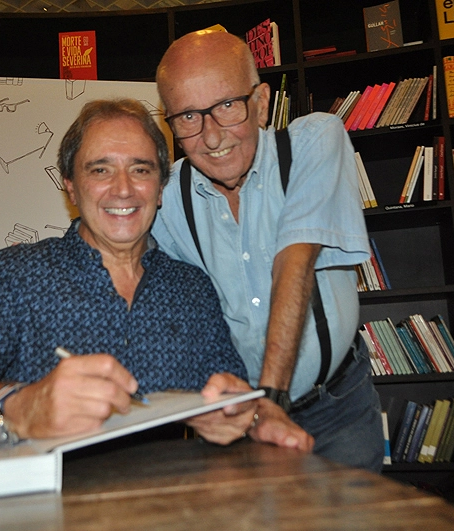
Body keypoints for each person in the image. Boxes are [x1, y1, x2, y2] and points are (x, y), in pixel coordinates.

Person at [0, 98, 312, 450]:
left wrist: (238, 413)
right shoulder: (18, 276)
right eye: (100, 169)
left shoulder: (192, 288)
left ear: (160, 188)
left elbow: (234, 396)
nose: (123, 189)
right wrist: (22, 408)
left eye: (141, 169)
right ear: (70, 186)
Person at [152, 31, 384, 471]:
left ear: (260, 102)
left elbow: (293, 263)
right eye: (187, 116)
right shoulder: (166, 193)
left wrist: (272, 401)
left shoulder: (314, 141)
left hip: (338, 407)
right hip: (238, 420)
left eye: (226, 106)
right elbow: (120, 261)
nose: (211, 135)